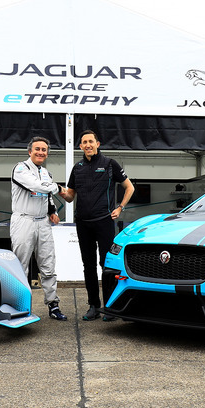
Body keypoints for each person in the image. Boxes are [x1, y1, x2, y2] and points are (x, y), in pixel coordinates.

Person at [59, 130, 134, 321]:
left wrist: (120, 208)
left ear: (97, 144)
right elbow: (70, 197)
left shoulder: (110, 164)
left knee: (107, 264)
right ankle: (93, 305)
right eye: (84, 142)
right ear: (81, 146)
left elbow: (129, 187)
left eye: (90, 141)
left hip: (104, 222)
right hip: (83, 224)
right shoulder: (78, 168)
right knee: (88, 265)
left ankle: (110, 306)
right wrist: (58, 190)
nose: (87, 145)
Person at [10, 136, 68, 321]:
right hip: (23, 221)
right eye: (37, 149)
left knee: (48, 265)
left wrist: (52, 211)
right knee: (20, 265)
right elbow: (36, 186)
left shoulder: (46, 174)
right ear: (30, 151)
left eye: (44, 149)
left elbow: (46, 196)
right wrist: (59, 188)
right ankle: (18, 305)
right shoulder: (20, 169)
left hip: (43, 222)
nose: (41, 152)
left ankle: (53, 305)